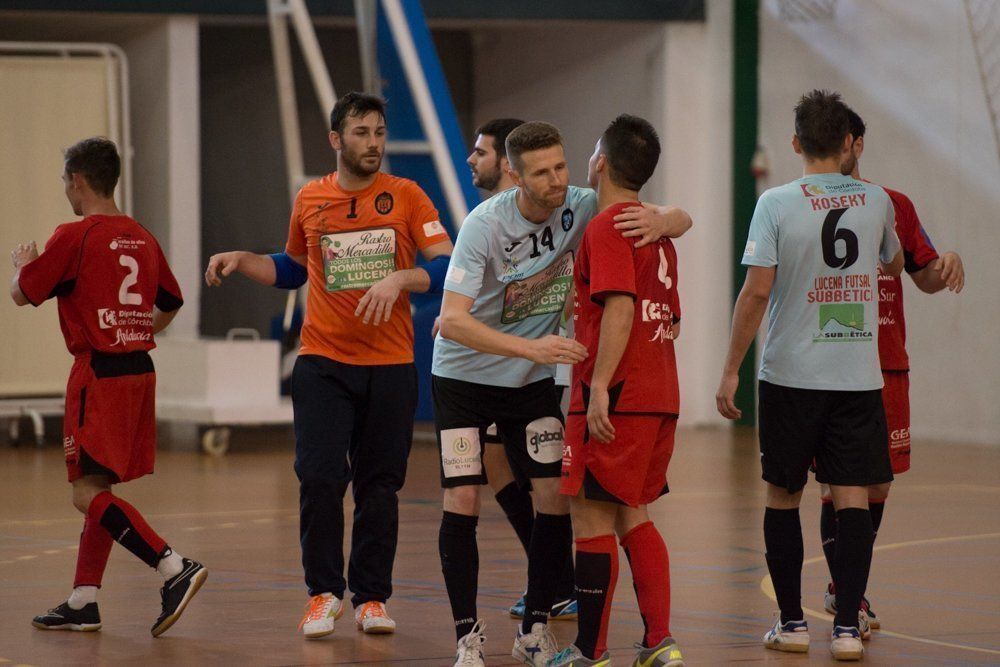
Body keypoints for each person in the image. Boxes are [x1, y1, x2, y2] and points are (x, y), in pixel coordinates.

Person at [434, 121, 692, 666]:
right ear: (515, 176)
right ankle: (467, 640)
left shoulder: (583, 206)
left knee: (556, 499)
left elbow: (672, 217)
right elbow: (451, 323)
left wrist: (666, 218)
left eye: (561, 166)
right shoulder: (483, 225)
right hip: (465, 377)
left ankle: (535, 630)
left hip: (530, 382)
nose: (557, 180)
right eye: (542, 172)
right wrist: (536, 351)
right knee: (463, 498)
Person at [205, 92, 454, 639]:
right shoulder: (311, 198)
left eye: (380, 132)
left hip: (390, 367)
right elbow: (295, 267)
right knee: (318, 479)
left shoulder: (408, 197)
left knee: (379, 487)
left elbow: (445, 265)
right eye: (361, 133)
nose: (374, 143)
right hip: (322, 363)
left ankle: (371, 598)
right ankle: (323, 594)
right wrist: (244, 261)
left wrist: (398, 278)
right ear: (337, 140)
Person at [715, 90, 903, 661]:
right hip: (856, 377)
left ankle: (792, 622)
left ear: (795, 143)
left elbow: (756, 292)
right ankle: (847, 628)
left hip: (790, 376)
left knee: (782, 494)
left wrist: (729, 372)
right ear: (849, 145)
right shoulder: (878, 201)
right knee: (850, 497)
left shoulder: (775, 203)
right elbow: (893, 262)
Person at [9, 137, 205, 637]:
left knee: (83, 493)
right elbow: (172, 300)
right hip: (139, 369)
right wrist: (135, 330)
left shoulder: (73, 236)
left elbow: (22, 294)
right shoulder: (140, 235)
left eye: (65, 182)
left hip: (97, 373)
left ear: (77, 180)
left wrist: (22, 263)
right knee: (100, 487)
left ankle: (171, 566)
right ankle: (84, 600)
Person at [817, 107, 966, 628]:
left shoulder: (893, 204)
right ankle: (847, 594)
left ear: (857, 144)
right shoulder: (805, 205)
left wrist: (943, 261)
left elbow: (922, 277)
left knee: (876, 487)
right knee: (838, 485)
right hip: (830, 365)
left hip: (886, 364)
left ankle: (845, 585)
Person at [549, 115, 685, 667]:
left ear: (599, 162)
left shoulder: (608, 228)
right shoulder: (655, 227)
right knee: (634, 514)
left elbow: (621, 307)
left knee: (591, 519)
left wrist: (599, 385)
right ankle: (660, 642)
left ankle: (590, 652)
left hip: (618, 393)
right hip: (659, 390)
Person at [467, 117, 579, 621]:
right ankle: (549, 574)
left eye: (481, 152)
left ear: (507, 168)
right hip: (487, 368)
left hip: (535, 370)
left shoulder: (566, 207)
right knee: (495, 466)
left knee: (545, 482)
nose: (473, 160)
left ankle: (558, 580)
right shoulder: (486, 219)